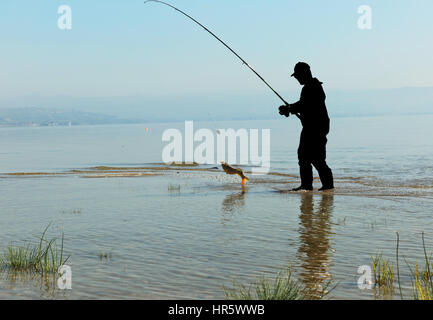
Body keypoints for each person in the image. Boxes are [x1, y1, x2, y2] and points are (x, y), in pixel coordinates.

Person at [279, 62, 334, 191]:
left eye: (298, 75)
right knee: (305, 156)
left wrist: (290, 108)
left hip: (316, 128)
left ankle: (327, 186)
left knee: (316, 158)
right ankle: (309, 185)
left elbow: (305, 104)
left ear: (305, 73)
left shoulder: (313, 87)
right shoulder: (311, 86)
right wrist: (289, 108)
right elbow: (303, 104)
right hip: (313, 127)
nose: (297, 78)